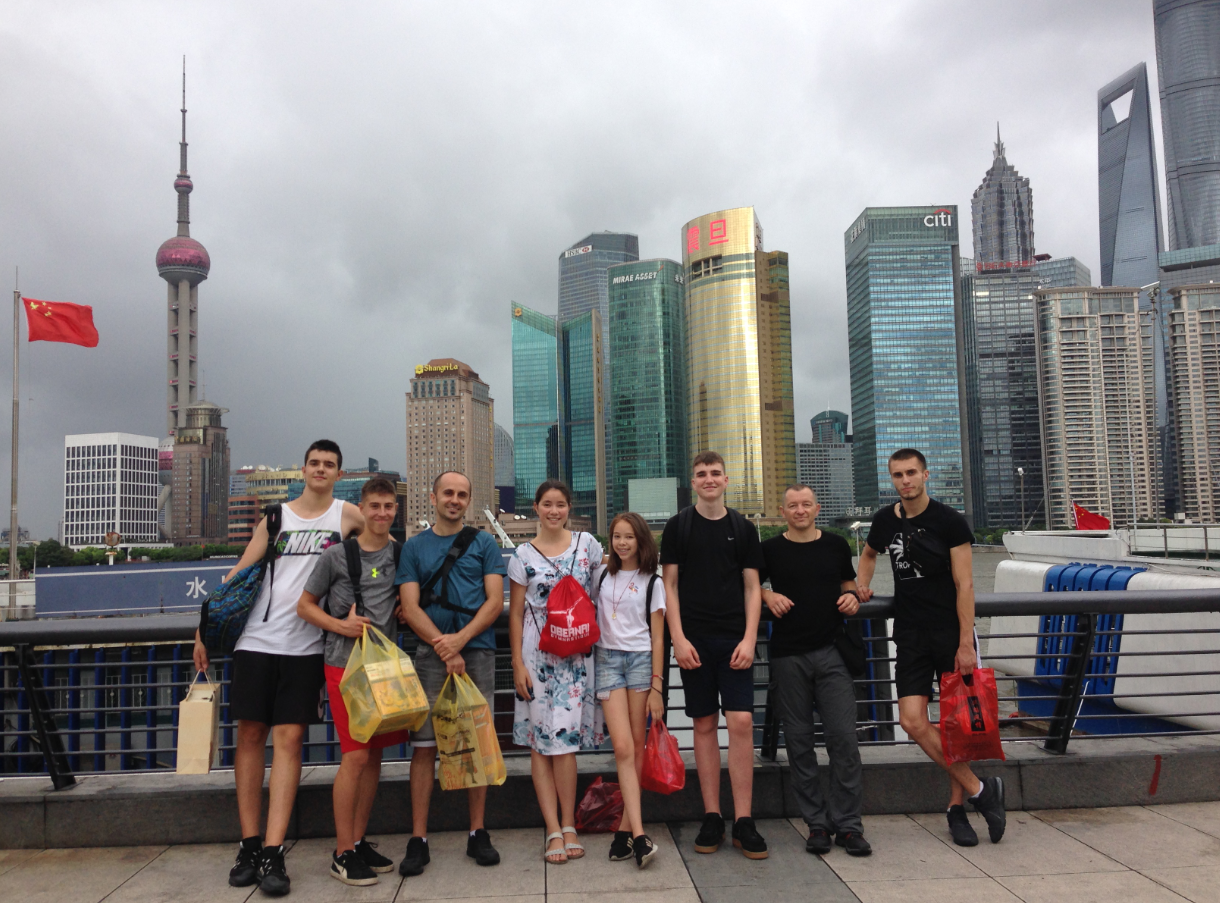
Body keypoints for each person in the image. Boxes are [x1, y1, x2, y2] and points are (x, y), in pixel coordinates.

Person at [193, 440, 365, 896]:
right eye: (314, 463)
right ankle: (249, 845)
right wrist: (203, 630)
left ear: (339, 474)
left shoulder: (347, 516)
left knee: (289, 741)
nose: (321, 470)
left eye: (329, 465)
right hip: (256, 639)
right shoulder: (275, 517)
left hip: (307, 645)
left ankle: (274, 850)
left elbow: (380, 547)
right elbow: (238, 572)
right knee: (250, 736)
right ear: (303, 469)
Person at [856, 448, 1006, 847]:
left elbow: (965, 584)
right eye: (897, 475)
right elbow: (869, 553)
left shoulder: (949, 521)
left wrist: (965, 642)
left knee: (957, 725)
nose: (905, 481)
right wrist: (861, 585)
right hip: (910, 633)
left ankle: (957, 809)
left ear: (925, 475)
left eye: (911, 473)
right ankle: (981, 790)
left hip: (951, 634)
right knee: (911, 721)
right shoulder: (884, 520)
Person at [395, 471, 507, 876]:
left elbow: (494, 602)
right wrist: (445, 647)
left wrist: (460, 640)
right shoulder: (414, 547)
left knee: (476, 743)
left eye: (462, 494)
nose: (454, 500)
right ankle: (418, 838)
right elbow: (409, 607)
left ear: (469, 500)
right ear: (433, 497)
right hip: (430, 655)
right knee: (424, 747)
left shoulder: (485, 543)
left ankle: (478, 831)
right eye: (448, 493)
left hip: (476, 652)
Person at [295, 477, 403, 887]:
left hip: (383, 669)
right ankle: (342, 852)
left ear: (396, 509)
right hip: (344, 667)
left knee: (373, 757)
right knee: (355, 757)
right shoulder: (337, 556)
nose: (381, 513)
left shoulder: (400, 553)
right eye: (374, 506)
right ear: (362, 507)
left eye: (388, 506)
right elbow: (305, 606)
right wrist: (341, 626)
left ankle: (357, 841)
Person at [660, 451, 768, 860]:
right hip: (694, 642)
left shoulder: (743, 528)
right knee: (703, 724)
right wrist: (678, 638)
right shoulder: (678, 526)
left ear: (726, 480)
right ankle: (712, 816)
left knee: (741, 722)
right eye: (702, 473)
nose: (709, 479)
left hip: (734, 639)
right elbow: (669, 586)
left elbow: (753, 588)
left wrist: (750, 639)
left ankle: (744, 819)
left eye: (715, 473)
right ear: (693, 481)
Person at [760, 485, 871, 857]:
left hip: (832, 652)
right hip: (787, 656)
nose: (800, 510)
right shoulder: (770, 549)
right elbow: (750, 584)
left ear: (817, 508)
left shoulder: (837, 545)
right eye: (792, 505)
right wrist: (768, 595)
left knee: (844, 740)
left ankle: (849, 826)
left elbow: (848, 585)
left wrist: (852, 596)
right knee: (799, 743)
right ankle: (817, 824)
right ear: (783, 511)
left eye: (806, 504)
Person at [509, 480, 604, 864]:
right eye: (547, 504)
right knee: (540, 743)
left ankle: (568, 824)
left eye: (560, 504)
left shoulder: (588, 545)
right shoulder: (522, 555)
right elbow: (516, 613)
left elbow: (604, 590)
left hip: (577, 655)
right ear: (535, 507)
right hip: (537, 657)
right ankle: (552, 827)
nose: (554, 511)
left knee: (565, 744)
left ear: (569, 508)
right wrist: (517, 663)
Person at [592, 512, 666, 869]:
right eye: (617, 537)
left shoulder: (653, 580)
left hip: (640, 661)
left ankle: (625, 833)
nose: (622, 543)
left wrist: (657, 687)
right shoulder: (601, 575)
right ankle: (639, 835)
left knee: (636, 747)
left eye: (629, 537)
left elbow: (659, 638)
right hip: (606, 660)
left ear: (641, 541)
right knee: (621, 747)